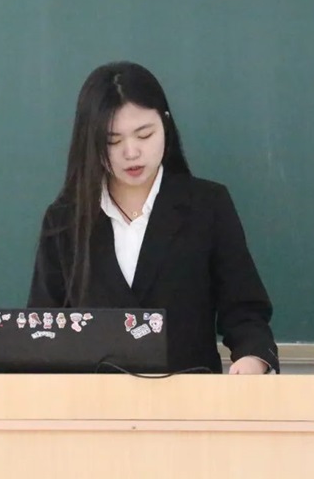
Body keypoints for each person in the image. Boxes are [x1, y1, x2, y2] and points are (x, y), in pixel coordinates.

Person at [27, 61, 279, 374]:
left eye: (144, 135)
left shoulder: (207, 205)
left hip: (190, 395)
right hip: (95, 400)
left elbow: (245, 311)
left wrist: (253, 358)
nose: (131, 152)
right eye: (112, 141)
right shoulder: (65, 219)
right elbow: (42, 327)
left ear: (165, 126)